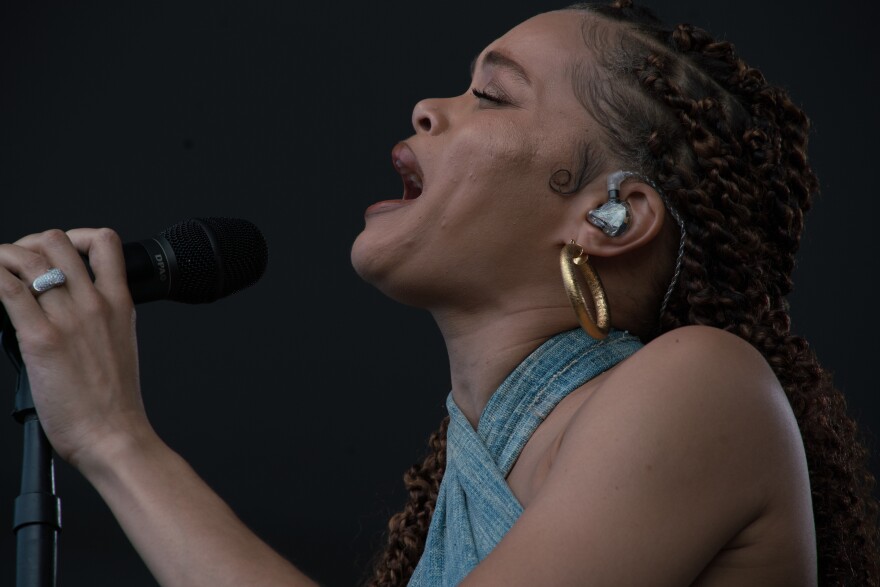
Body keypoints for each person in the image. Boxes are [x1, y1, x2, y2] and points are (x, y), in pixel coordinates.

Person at [0, 1, 877, 585]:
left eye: (492, 95)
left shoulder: (707, 386)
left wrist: (116, 437)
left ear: (611, 216)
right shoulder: (476, 473)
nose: (427, 106)